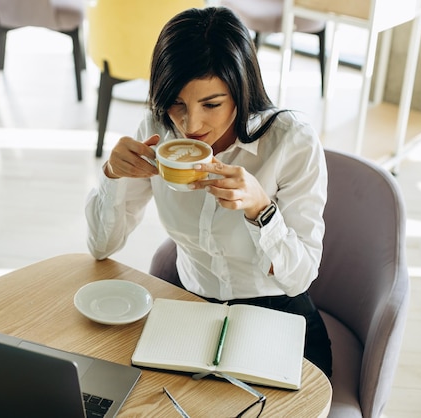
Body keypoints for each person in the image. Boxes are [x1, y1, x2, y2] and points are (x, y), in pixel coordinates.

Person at [85, 7, 332, 377]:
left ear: (241, 91)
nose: (190, 124)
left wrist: (262, 210)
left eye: (211, 104)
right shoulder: (156, 130)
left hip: (276, 313)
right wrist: (111, 174)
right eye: (177, 103)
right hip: (189, 309)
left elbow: (299, 278)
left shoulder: (291, 142)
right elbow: (101, 247)